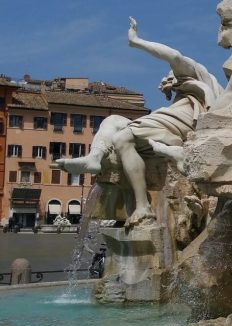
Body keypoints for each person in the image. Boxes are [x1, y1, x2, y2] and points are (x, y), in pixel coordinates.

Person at [56, 18, 223, 227]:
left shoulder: (193, 74)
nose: (162, 82)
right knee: (112, 119)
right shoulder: (181, 95)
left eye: (166, 77)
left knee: (123, 137)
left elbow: (173, 55)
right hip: (164, 126)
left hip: (179, 128)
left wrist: (136, 42)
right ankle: (94, 157)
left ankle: (143, 206)